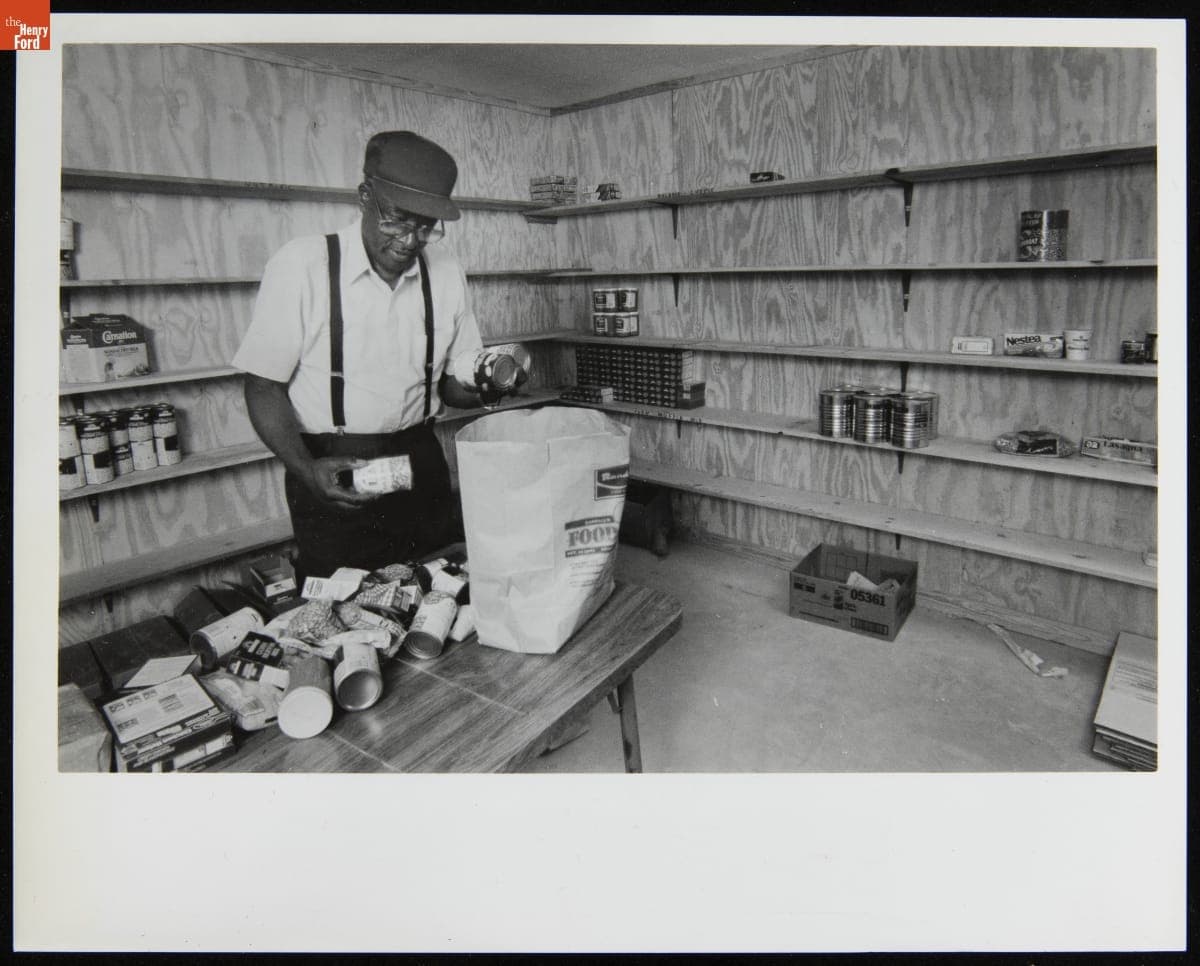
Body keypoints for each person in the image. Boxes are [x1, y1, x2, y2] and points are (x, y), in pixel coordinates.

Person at [233, 130, 496, 582]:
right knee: (346, 603)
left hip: (419, 456)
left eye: (426, 225)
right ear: (364, 197)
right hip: (338, 465)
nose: (411, 240)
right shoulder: (303, 266)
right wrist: (305, 468)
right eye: (397, 220)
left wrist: (489, 386)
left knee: (442, 589)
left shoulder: (447, 270)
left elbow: (453, 388)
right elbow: (262, 385)